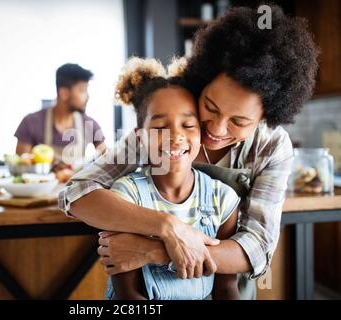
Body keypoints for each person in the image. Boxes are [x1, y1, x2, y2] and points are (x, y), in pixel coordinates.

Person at [58, 5, 318, 299]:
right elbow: (77, 194)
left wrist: (156, 250)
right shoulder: (167, 127)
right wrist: (167, 227)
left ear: (265, 118)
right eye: (210, 106)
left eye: (239, 121)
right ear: (203, 82)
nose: (217, 129)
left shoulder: (271, 146)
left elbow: (257, 247)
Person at [107, 57, 240, 300]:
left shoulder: (223, 198)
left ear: (201, 132)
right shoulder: (126, 197)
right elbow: (128, 294)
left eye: (188, 125)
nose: (176, 136)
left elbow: (226, 288)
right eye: (159, 128)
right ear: (140, 138)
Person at [14, 63, 106, 170]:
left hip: (76, 186)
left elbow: (105, 157)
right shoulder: (30, 123)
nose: (87, 96)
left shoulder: (90, 124)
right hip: (44, 186)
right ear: (64, 93)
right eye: (82, 90)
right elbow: (21, 167)